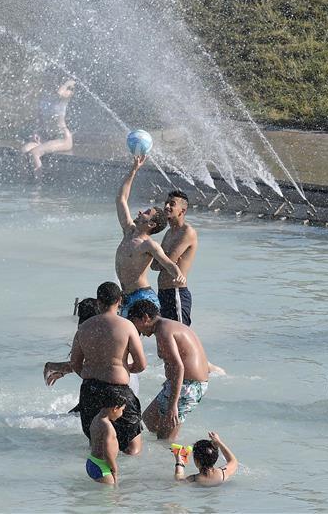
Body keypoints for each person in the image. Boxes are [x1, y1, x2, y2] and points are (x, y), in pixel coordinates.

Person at [71, 282, 147, 455]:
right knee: (132, 448)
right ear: (119, 300)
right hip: (117, 392)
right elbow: (141, 364)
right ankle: (123, 478)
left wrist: (90, 373)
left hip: (90, 390)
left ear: (98, 302)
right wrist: (123, 369)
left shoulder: (84, 328)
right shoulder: (127, 326)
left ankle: (99, 476)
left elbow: (75, 363)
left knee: (97, 444)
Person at [127, 301, 209, 441]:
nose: (136, 330)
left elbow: (178, 367)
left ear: (145, 317)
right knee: (149, 419)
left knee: (164, 440)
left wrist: (173, 406)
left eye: (135, 323)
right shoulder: (165, 325)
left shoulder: (164, 331)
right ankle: (171, 437)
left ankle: (174, 456)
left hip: (188, 386)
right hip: (180, 383)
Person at [115, 155, 185, 317]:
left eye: (146, 213)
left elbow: (168, 263)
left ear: (151, 224)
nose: (140, 212)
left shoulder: (149, 245)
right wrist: (134, 169)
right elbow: (121, 199)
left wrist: (179, 275)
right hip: (125, 296)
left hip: (142, 296)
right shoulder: (128, 230)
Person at [151, 190, 197, 326]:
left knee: (179, 338)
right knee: (165, 338)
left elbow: (166, 262)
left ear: (182, 211)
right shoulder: (169, 233)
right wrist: (160, 259)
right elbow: (155, 266)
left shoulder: (187, 232)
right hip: (163, 293)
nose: (166, 207)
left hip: (176, 292)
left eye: (172, 204)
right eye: (166, 203)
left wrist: (159, 257)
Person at [20, 79, 76, 175]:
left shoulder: (65, 95)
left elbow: (59, 93)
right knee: (24, 150)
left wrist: (67, 83)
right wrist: (36, 132)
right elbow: (39, 119)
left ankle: (38, 186)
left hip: (62, 138)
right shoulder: (44, 97)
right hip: (46, 137)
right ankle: (24, 180)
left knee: (35, 153)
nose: (49, 80)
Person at [44, 298, 98, 387]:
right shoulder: (94, 328)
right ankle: (51, 367)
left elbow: (78, 363)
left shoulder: (83, 329)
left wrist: (62, 373)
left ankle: (51, 367)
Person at [86, 395, 127, 486]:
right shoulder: (107, 427)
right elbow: (107, 452)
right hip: (102, 466)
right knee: (110, 497)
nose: (122, 414)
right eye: (122, 410)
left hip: (92, 461)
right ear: (115, 408)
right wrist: (114, 469)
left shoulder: (96, 418)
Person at [173, 431, 239, 486]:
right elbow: (233, 461)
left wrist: (179, 462)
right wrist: (219, 442)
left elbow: (179, 479)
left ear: (197, 462)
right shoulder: (223, 473)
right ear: (215, 458)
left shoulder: (194, 479)